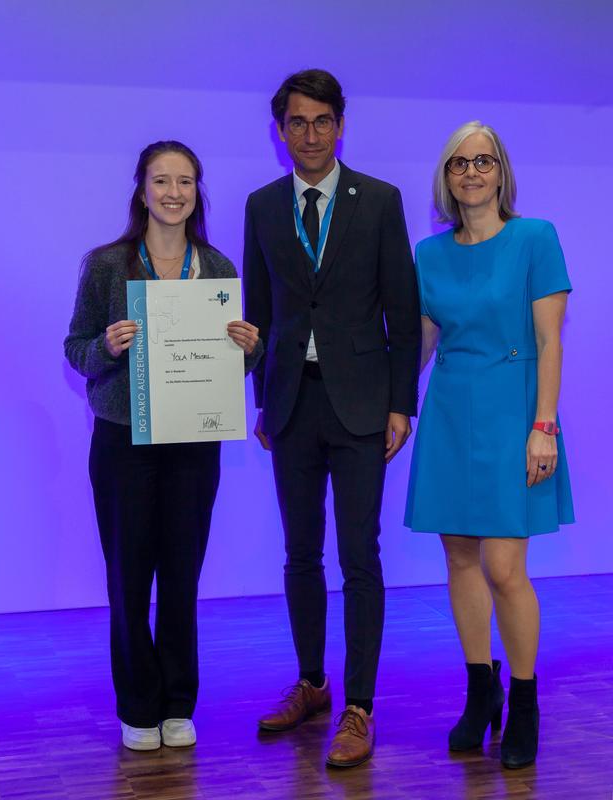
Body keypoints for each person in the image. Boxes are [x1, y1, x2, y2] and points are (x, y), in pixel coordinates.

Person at [243, 69, 421, 768]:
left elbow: (402, 316)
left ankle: (359, 706)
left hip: (360, 405)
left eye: (322, 121)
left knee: (359, 556)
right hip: (291, 402)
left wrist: (400, 403)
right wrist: (260, 394)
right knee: (299, 554)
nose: (310, 134)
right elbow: (255, 317)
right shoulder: (261, 206)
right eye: (297, 122)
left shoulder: (378, 200)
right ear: (279, 130)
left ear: (340, 125)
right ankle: (313, 682)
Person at [64, 140, 262, 751]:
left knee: (182, 574)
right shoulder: (106, 266)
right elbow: (76, 349)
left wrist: (248, 352)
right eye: (161, 181)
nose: (173, 193)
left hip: (194, 442)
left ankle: (178, 703)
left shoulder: (221, 269)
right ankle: (137, 706)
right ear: (141, 189)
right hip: (124, 442)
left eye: (185, 182)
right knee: (128, 577)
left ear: (198, 191)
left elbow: (231, 372)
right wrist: (108, 346)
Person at [405, 121, 574, 769]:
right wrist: (388, 401)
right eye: (458, 164)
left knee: (506, 570)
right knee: (461, 562)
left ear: (501, 172)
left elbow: (551, 341)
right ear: (445, 178)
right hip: (450, 411)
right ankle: (482, 690)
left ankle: (525, 700)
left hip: (515, 414)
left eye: (483, 161)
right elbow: (420, 343)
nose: (471, 172)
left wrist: (545, 424)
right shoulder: (430, 253)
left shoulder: (536, 238)